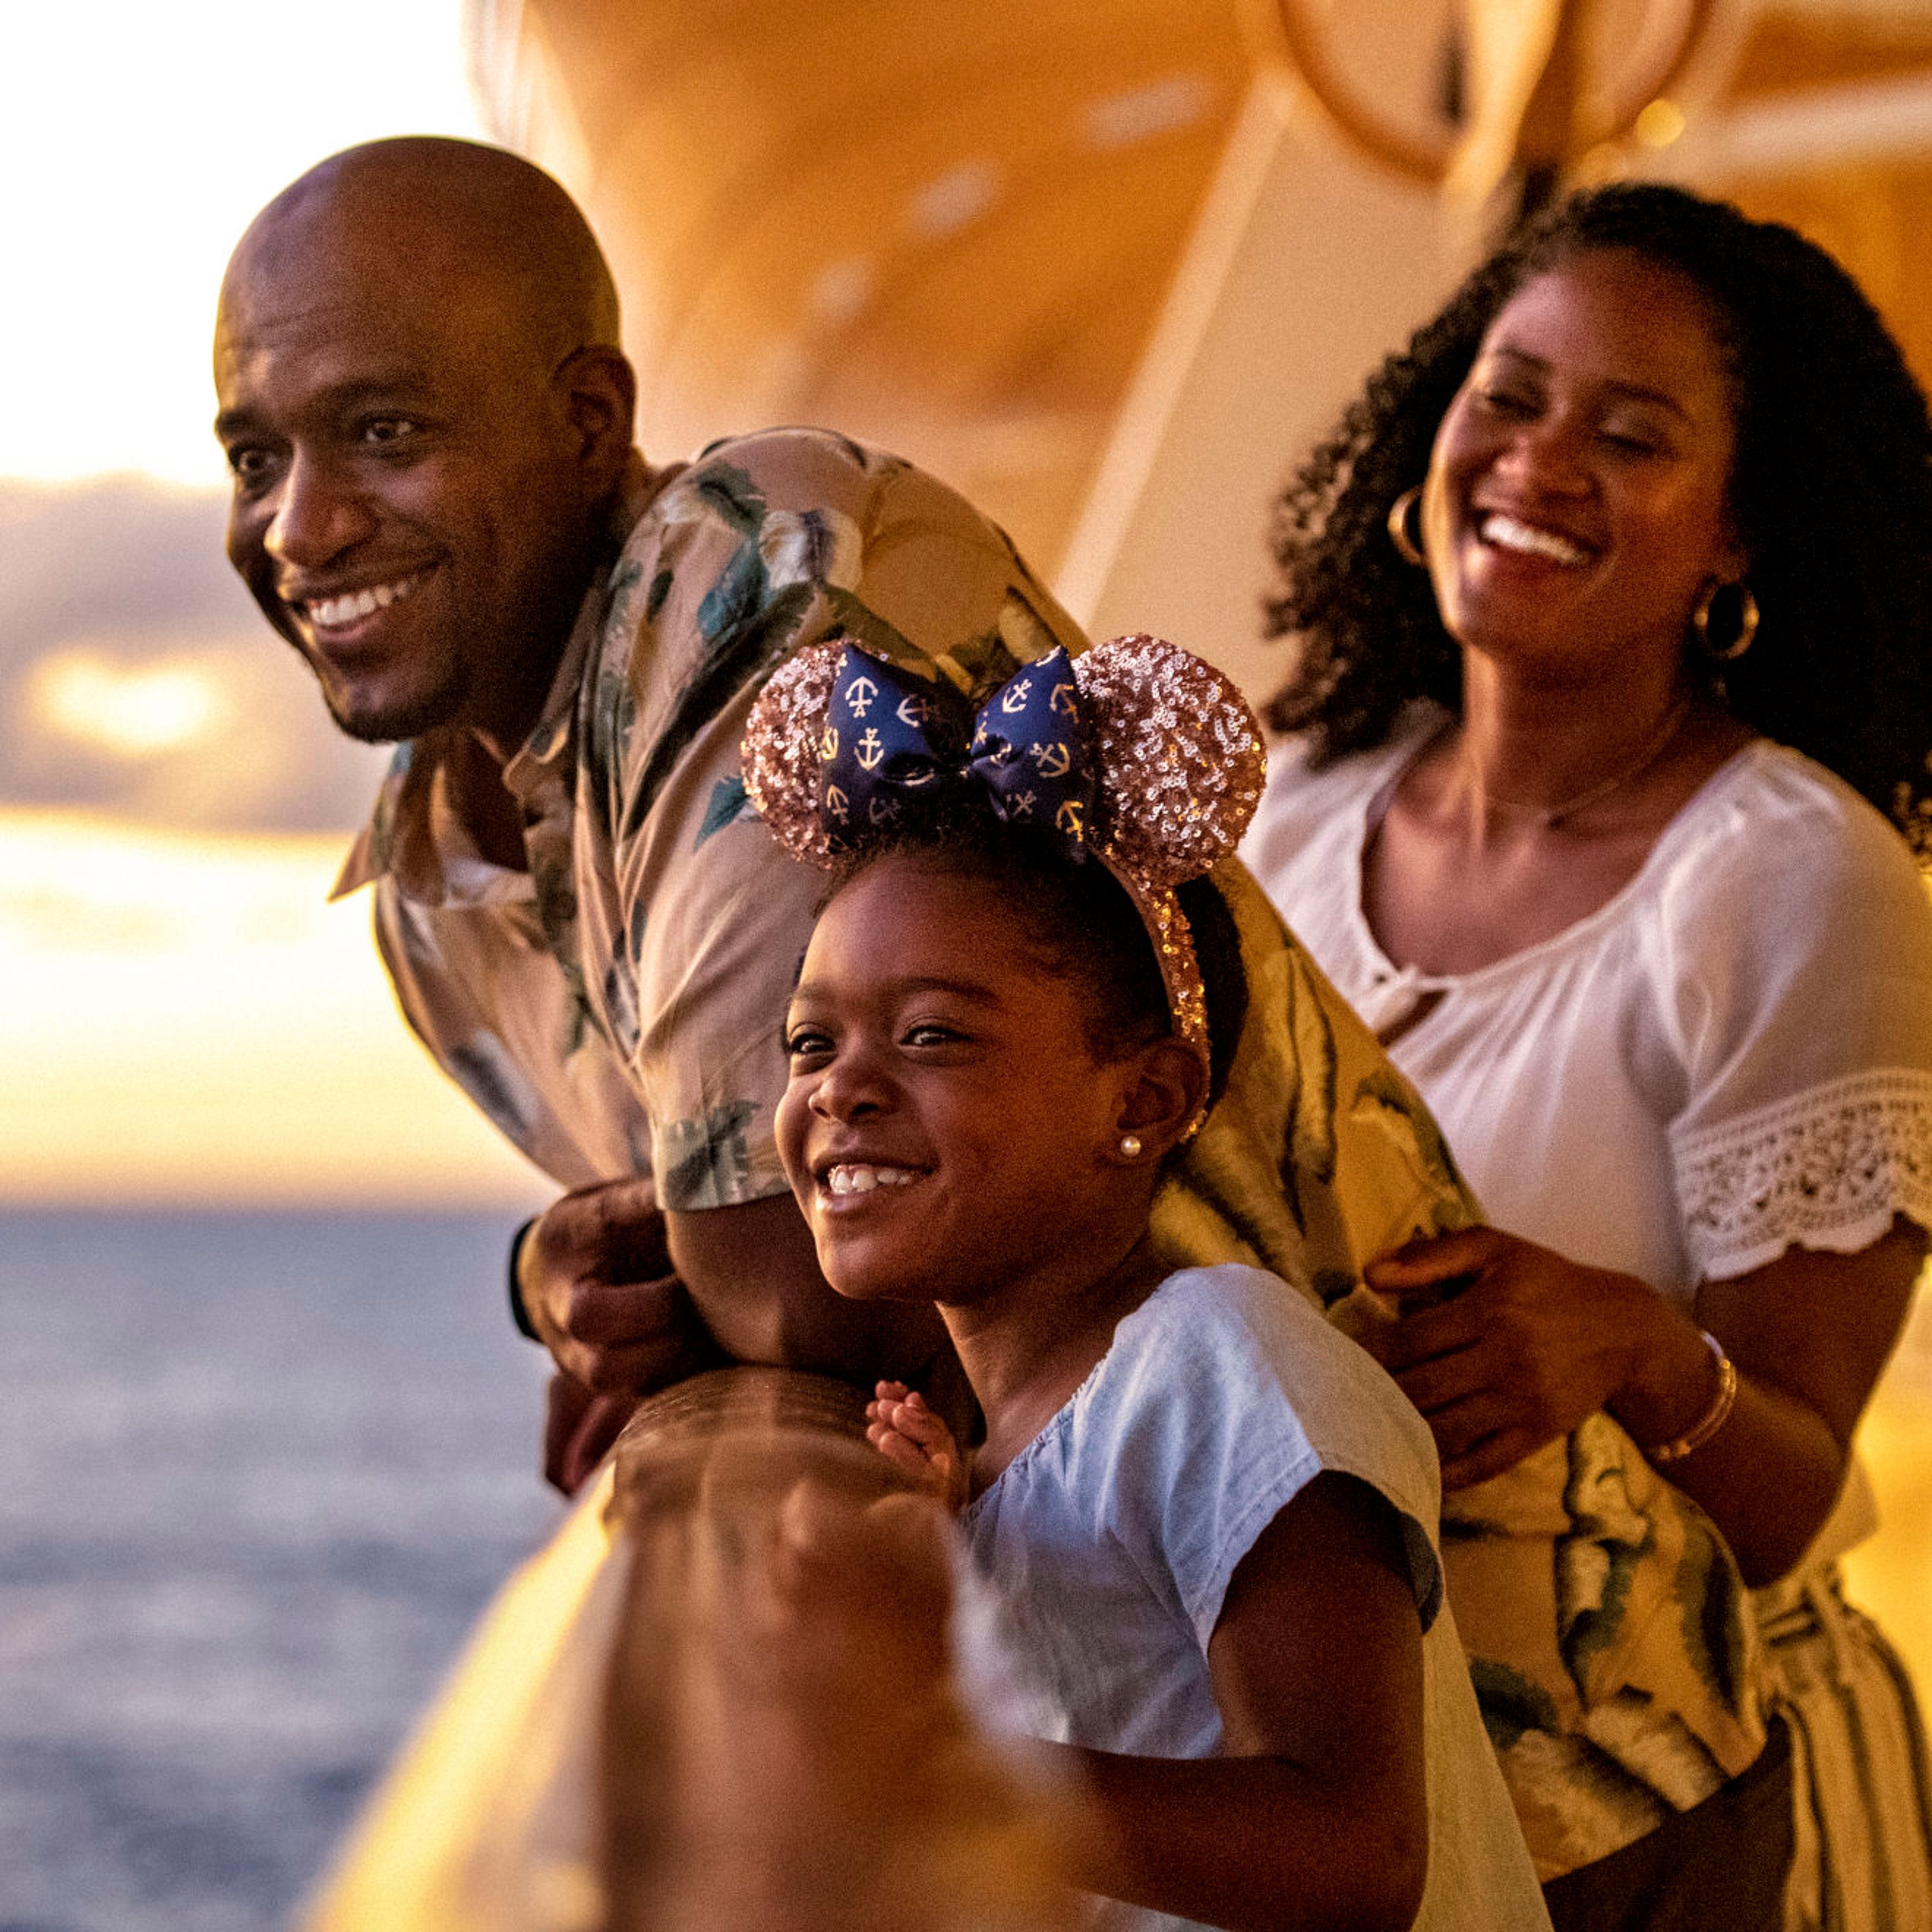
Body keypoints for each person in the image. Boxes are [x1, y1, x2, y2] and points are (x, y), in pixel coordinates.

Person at [213, 135, 1481, 1496]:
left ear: (590, 422)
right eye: (252, 457)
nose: (297, 528)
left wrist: (662, 1282)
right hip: (1103, 1623)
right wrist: (557, 1276)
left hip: (1422, 1604)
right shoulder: (427, 876)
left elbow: (818, 1298)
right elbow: (763, 1253)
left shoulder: (755, 557)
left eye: (384, 433)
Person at [1244, 179, 1932, 1930]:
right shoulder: (1299, 812)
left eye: (1631, 438)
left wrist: (1633, 1345)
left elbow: (1792, 1500)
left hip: (1700, 1812)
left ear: (1739, 538)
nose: (1538, 466)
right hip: (1367, 1784)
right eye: (1511, 398)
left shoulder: (1789, 880)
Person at [746, 631, 1554, 1932]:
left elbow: (1355, 1853)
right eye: (808, 1042)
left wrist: (927, 1763)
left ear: (1148, 1097)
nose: (840, 1087)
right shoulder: (997, 1433)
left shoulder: (1223, 1365)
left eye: (935, 1035)